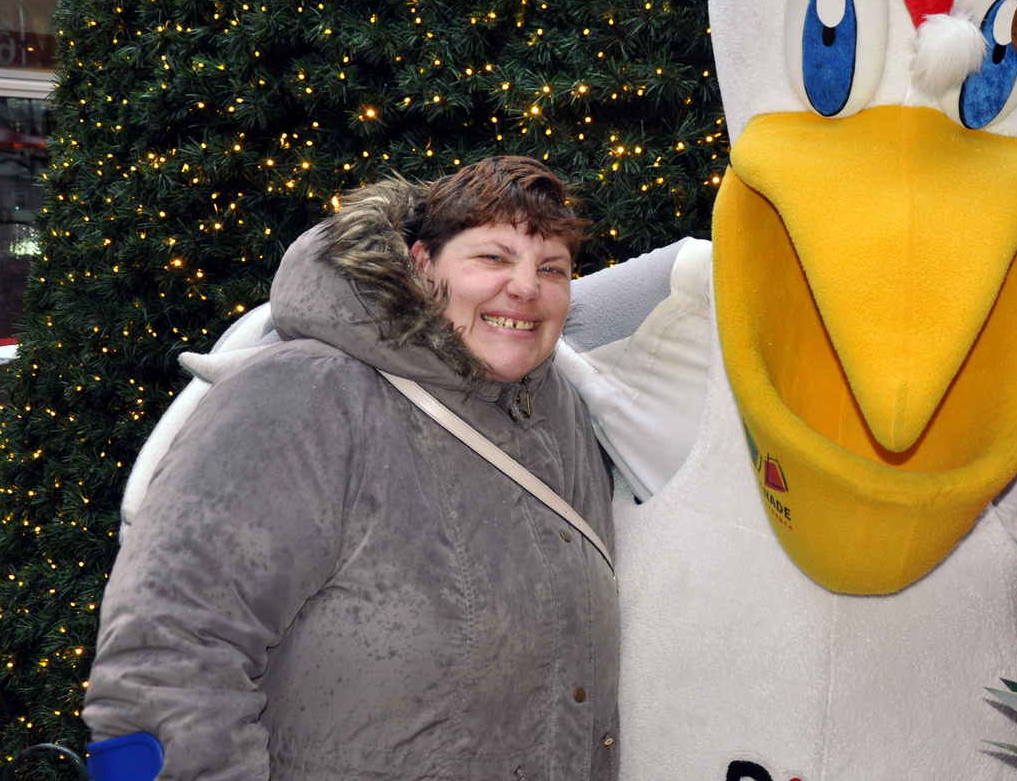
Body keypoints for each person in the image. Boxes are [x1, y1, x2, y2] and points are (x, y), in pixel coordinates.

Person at [83, 156, 618, 781]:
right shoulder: (305, 395)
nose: (527, 287)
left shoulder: (563, 418)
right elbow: (165, 657)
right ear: (422, 264)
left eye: (551, 268)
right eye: (493, 258)